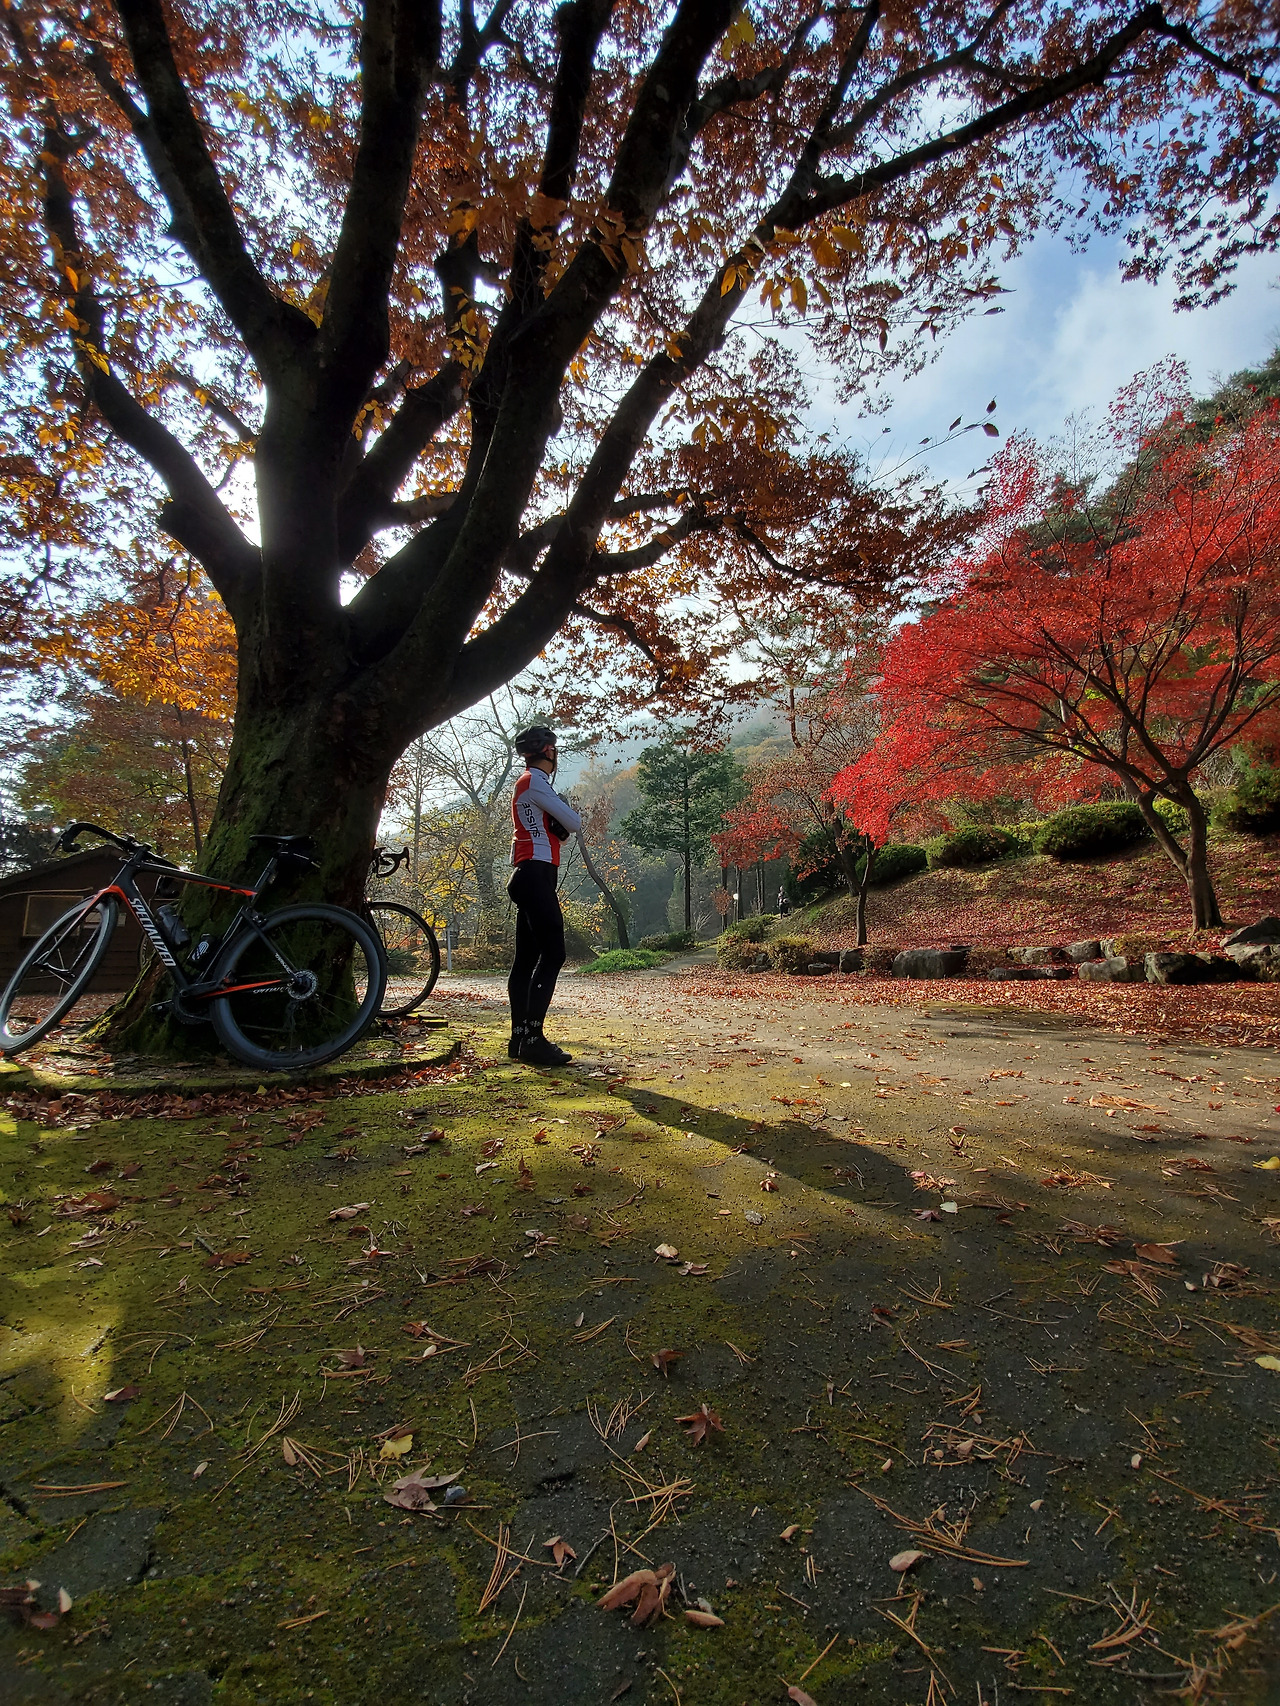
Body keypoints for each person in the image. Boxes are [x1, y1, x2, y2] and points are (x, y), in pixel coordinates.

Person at [506, 726, 582, 1066]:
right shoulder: (535, 782)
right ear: (549, 751)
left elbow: (552, 831)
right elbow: (573, 822)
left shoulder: (525, 784)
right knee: (554, 954)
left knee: (525, 960)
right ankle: (534, 1039)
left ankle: (519, 1037)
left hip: (529, 874)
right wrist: (563, 811)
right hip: (536, 875)